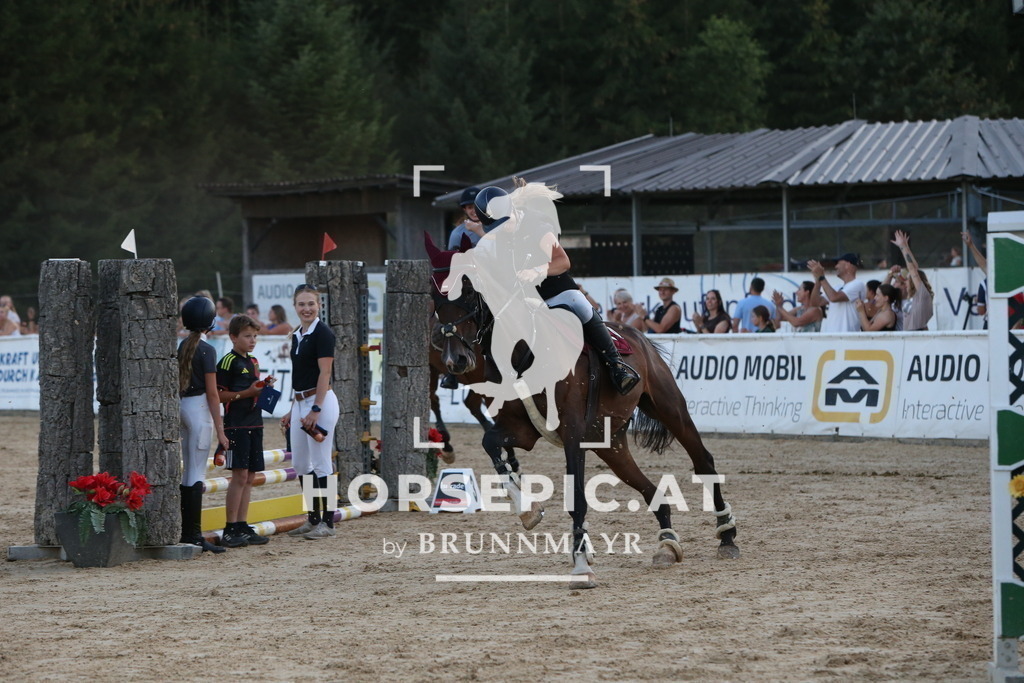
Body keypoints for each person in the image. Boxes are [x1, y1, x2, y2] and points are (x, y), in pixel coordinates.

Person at [466, 184, 640, 394]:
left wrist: (537, 271)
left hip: (557, 289)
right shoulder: (499, 231)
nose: (503, 229)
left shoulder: (537, 226)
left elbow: (563, 262)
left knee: (581, 305)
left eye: (505, 223)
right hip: (525, 294)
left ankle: (617, 366)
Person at [281, 284, 340, 539]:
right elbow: (299, 374)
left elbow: (324, 373)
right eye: (302, 304)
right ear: (295, 307)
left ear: (319, 306)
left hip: (321, 401)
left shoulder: (323, 334)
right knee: (300, 463)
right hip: (300, 402)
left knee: (321, 462)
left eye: (311, 304)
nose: (306, 309)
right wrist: (293, 408)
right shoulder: (297, 334)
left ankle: (327, 523)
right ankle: (312, 518)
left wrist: (315, 408)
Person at [177, 297, 231, 554]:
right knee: (196, 472)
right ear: (210, 321)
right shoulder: (207, 350)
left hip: (183, 407)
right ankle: (194, 534)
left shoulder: (182, 346)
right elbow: (212, 394)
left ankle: (185, 530)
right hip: (199, 410)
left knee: (187, 470)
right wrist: (221, 431)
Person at [216, 315, 273, 548]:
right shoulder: (227, 362)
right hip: (236, 425)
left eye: (255, 336)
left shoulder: (254, 361)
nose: (253, 340)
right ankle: (230, 528)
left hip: (255, 423)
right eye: (247, 336)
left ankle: (242, 524)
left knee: (250, 477)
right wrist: (249, 393)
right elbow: (219, 395)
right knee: (238, 476)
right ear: (233, 337)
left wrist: (264, 388)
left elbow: (253, 390)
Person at [808, 253, 867, 333]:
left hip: (847, 338)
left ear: (847, 264)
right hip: (832, 337)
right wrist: (818, 281)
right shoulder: (837, 287)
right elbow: (815, 303)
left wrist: (822, 277)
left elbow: (834, 297)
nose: (836, 266)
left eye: (838, 263)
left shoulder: (857, 284)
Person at [888, 230, 934, 331]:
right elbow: (914, 268)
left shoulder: (922, 296)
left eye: (908, 279)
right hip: (909, 336)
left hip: (917, 337)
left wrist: (903, 247)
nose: (906, 282)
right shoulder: (914, 297)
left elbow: (913, 270)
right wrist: (906, 247)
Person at [962, 230, 988, 327]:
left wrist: (971, 245)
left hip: (992, 323)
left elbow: (981, 311)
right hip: (1013, 324)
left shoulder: (986, 283)